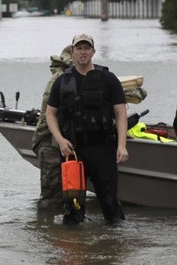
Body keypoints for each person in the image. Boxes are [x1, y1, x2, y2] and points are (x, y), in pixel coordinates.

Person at [45, 34, 128, 224]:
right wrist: (59, 140)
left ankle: (114, 246)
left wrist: (121, 145)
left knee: (110, 205)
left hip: (103, 148)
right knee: (73, 205)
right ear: (72, 53)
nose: (83, 52)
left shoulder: (108, 79)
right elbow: (50, 114)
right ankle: (74, 249)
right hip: (72, 151)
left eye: (86, 48)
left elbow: (121, 113)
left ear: (93, 52)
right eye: (79, 48)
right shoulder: (62, 81)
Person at [31, 46, 74, 209]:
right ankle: (46, 230)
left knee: (67, 193)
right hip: (50, 142)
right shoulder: (60, 78)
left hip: (58, 142)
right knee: (51, 197)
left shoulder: (65, 76)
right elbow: (49, 115)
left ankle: (52, 231)